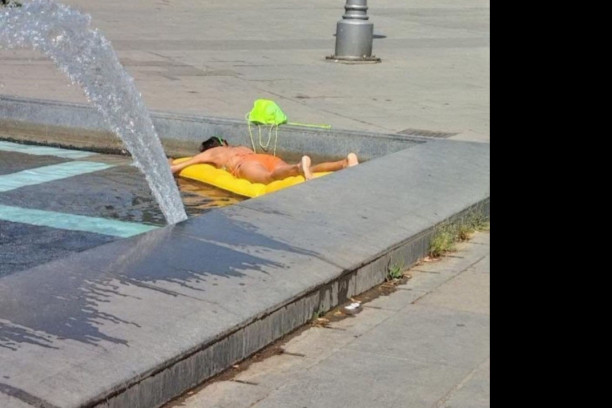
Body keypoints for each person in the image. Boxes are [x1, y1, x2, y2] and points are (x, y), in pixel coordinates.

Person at [170, 136, 358, 184]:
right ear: (225, 142)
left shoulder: (214, 153)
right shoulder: (241, 147)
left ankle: (299, 167)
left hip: (245, 165)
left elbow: (181, 166)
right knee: (310, 169)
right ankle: (343, 163)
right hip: (263, 157)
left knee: (269, 177)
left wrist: (171, 163)